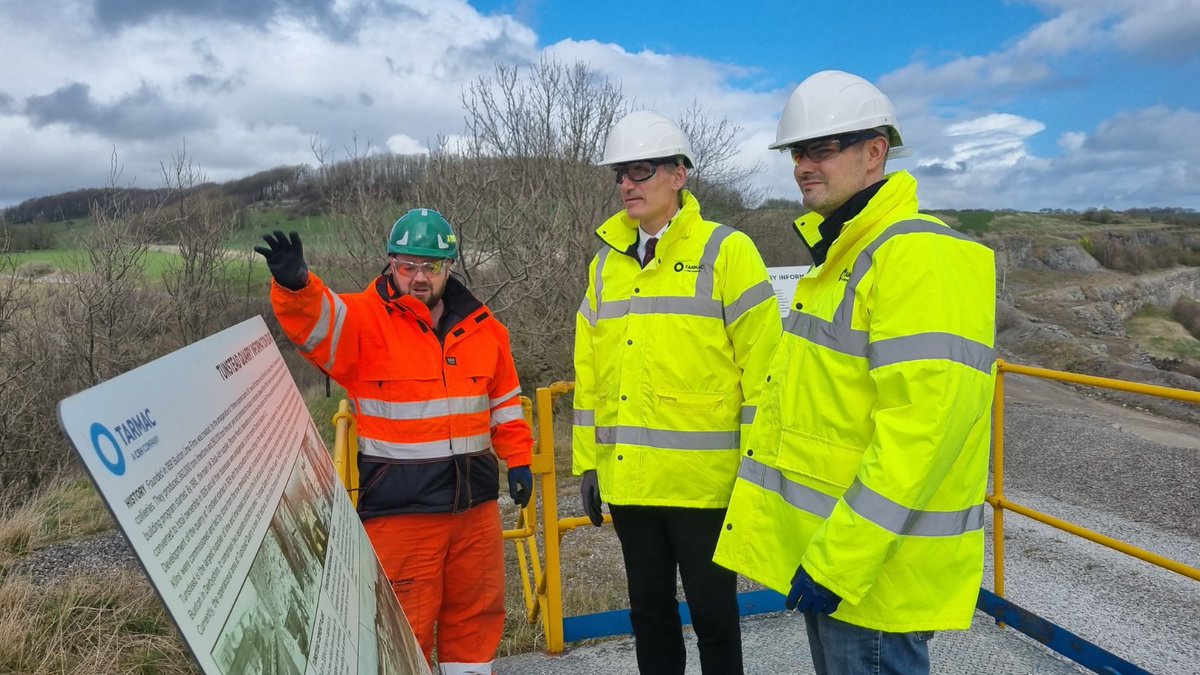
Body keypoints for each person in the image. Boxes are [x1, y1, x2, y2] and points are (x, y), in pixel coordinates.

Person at [712, 70, 997, 675]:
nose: (802, 165)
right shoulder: (842, 258)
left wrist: (837, 562)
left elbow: (922, 434)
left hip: (872, 578)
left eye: (821, 148)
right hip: (839, 561)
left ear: (875, 152)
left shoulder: (918, 255)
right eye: (797, 151)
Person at [255, 208, 534, 674]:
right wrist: (297, 285)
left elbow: (505, 402)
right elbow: (316, 323)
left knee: (476, 614)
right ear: (390, 264)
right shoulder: (364, 321)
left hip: (475, 506)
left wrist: (519, 460)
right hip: (404, 511)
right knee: (404, 628)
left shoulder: (486, 329)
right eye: (407, 266)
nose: (418, 278)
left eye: (431, 266)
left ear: (450, 268)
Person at [572, 110, 782, 675]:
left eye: (640, 170)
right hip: (632, 482)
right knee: (650, 617)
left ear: (679, 175)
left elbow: (766, 369)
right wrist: (588, 465)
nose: (626, 185)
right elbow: (590, 374)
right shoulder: (604, 267)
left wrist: (758, 468)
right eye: (621, 173)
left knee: (715, 620)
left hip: (707, 486)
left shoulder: (727, 252)